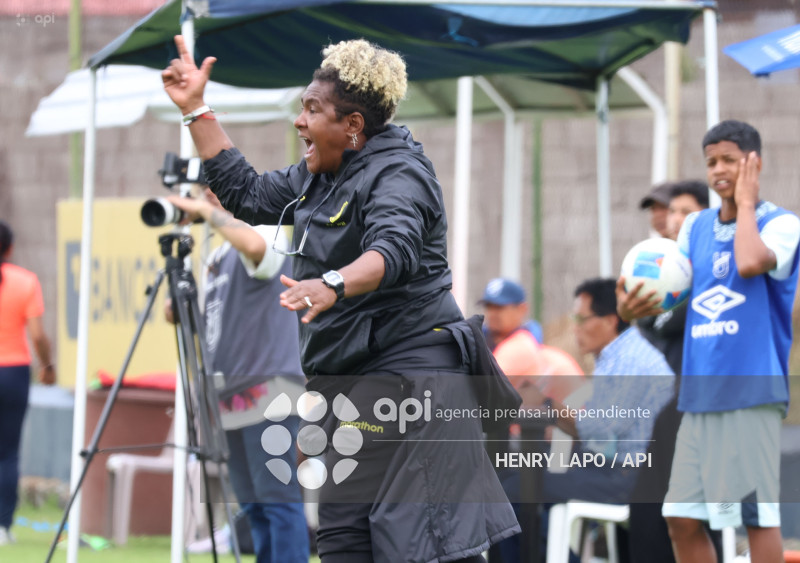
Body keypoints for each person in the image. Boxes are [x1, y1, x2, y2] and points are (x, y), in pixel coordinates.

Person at [162, 35, 519, 563]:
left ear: (352, 125)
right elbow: (246, 194)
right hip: (352, 389)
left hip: (415, 386)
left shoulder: (400, 174)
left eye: (312, 109)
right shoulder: (319, 176)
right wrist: (196, 109)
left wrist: (332, 283)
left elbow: (392, 251)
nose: (299, 122)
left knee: (422, 547)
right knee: (344, 543)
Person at [620, 120, 800, 563]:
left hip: (750, 391)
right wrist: (630, 309)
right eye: (711, 162)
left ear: (753, 163)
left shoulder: (782, 224)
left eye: (730, 160)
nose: (718, 169)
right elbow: (671, 296)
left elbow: (749, 260)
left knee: (755, 516)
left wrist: (744, 203)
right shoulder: (695, 227)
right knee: (681, 519)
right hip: (699, 399)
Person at [164, 189, 309, 562]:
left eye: (214, 191)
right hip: (228, 394)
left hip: (268, 389)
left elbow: (255, 248)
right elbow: (205, 321)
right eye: (202, 193)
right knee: (253, 506)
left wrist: (207, 213)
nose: (206, 199)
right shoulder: (214, 257)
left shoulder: (270, 233)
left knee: (278, 501)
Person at [622, 180, 722, 563]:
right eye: (666, 211)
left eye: (681, 211)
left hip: (696, 413)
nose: (668, 219)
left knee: (692, 521)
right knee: (650, 516)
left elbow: (664, 323)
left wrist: (645, 317)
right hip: (658, 417)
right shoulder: (656, 268)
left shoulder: (713, 270)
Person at [0, 220, 56, 546]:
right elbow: (37, 335)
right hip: (12, 372)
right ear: (9, 248)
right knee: (7, 452)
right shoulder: (24, 281)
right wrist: (47, 366)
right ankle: (3, 526)